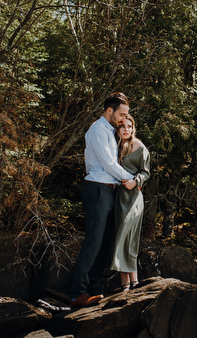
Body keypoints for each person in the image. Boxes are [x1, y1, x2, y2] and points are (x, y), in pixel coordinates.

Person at [69, 92, 137, 308]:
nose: (124, 119)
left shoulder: (110, 131)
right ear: (109, 110)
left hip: (109, 191)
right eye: (122, 114)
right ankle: (78, 292)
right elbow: (108, 163)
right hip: (97, 189)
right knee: (93, 242)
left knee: (105, 244)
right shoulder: (97, 129)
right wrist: (131, 179)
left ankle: (96, 291)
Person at [110, 115, 151, 291]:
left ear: (133, 128)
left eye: (129, 126)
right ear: (117, 130)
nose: (126, 129)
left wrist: (137, 181)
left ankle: (134, 281)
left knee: (129, 236)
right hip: (118, 197)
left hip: (133, 197)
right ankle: (126, 283)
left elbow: (146, 171)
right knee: (120, 236)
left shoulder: (140, 147)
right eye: (122, 126)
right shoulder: (115, 147)